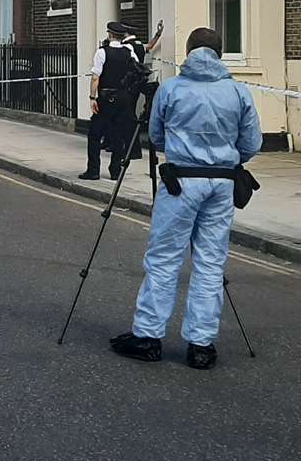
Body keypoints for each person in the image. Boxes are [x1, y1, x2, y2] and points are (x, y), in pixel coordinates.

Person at [111, 26, 261, 370]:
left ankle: (148, 336)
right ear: (220, 54)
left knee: (164, 258)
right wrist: (224, 156)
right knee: (210, 263)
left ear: (190, 52)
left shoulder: (172, 88)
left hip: (181, 182)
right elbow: (251, 143)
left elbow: (156, 136)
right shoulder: (238, 92)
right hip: (222, 184)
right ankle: (201, 345)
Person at [80, 21, 151, 182]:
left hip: (106, 97)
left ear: (110, 34)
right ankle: (115, 171)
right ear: (121, 36)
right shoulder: (129, 51)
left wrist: (92, 98)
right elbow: (137, 70)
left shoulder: (102, 52)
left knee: (95, 134)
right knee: (119, 134)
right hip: (124, 98)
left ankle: (93, 170)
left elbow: (96, 77)